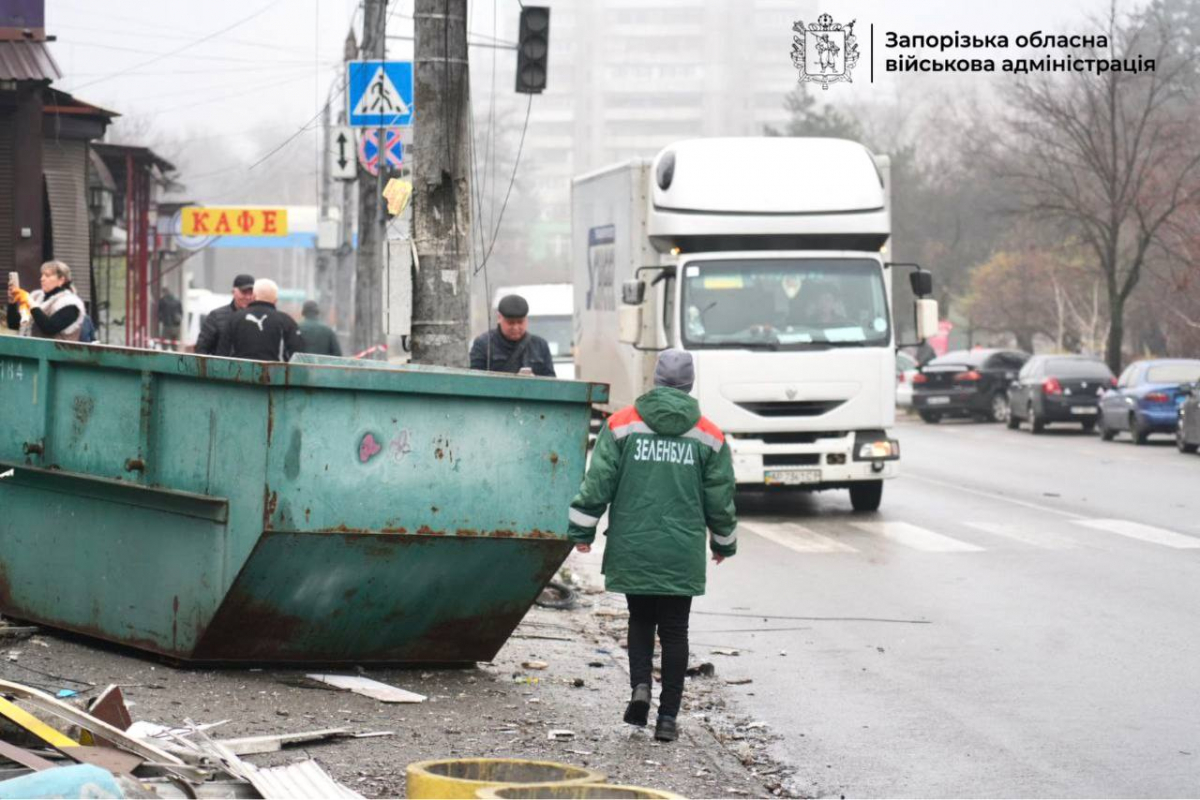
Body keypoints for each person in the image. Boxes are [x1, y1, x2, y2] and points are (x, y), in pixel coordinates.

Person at [566, 349, 737, 742]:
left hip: (634, 543)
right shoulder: (709, 434)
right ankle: (668, 718)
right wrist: (723, 542)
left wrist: (582, 532)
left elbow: (598, 483)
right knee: (676, 631)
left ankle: (639, 687)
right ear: (690, 384)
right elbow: (720, 497)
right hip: (681, 549)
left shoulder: (621, 424)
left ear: (656, 381)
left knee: (641, 620)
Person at [469, 294, 556, 376]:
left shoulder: (540, 346)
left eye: (520, 322)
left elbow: (551, 381)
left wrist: (535, 382)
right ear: (499, 318)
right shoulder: (484, 344)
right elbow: (475, 380)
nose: (516, 327)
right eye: (510, 323)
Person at [221, 278, 303, 362]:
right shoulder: (286, 321)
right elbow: (297, 355)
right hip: (276, 373)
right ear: (275, 300)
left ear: (253, 296)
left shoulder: (235, 318)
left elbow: (223, 354)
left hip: (238, 373)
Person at [5, 261, 87, 341]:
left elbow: (49, 328)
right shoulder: (36, 297)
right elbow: (14, 324)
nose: (42, 279)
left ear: (61, 280)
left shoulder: (70, 302)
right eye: (42, 275)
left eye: (47, 276)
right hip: (29, 352)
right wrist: (12, 302)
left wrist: (30, 302)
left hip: (57, 353)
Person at [194, 274, 255, 355]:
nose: (248, 297)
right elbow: (201, 348)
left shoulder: (257, 318)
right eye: (244, 292)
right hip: (221, 366)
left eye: (251, 293)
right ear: (233, 292)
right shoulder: (216, 316)